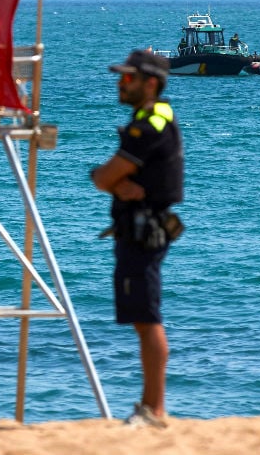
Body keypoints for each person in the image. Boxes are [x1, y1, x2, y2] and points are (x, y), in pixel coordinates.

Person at [90, 50, 184, 429]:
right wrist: (112, 178)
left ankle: (154, 410)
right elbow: (109, 177)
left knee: (147, 319)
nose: (120, 83)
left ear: (150, 83)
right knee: (143, 318)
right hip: (139, 229)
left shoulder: (149, 127)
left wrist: (109, 178)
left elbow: (103, 177)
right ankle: (151, 407)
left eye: (128, 78)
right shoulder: (149, 119)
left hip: (144, 233)